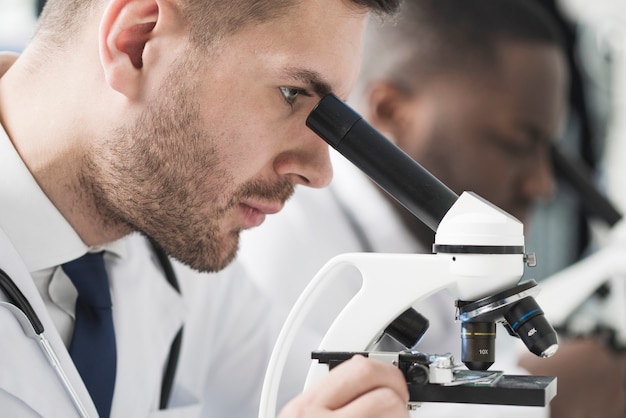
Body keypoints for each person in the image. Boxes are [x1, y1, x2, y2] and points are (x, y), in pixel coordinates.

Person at [0, 0, 413, 417]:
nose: (320, 172)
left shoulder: (177, 253)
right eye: (292, 95)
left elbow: (332, 390)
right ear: (137, 45)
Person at [238, 0, 626, 417]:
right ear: (390, 110)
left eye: (548, 153)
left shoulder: (430, 240)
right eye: (516, 144)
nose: (543, 184)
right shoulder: (285, 249)